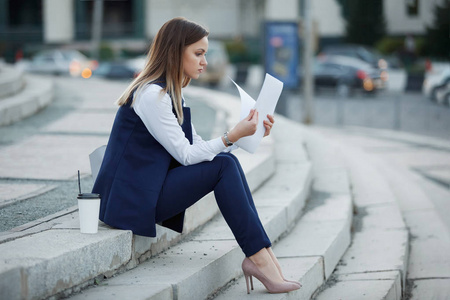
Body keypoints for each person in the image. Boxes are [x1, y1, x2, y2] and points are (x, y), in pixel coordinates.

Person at [92, 17, 300, 294]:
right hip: (130, 201)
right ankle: (260, 259)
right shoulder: (151, 95)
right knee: (223, 166)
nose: (205, 61)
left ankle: (263, 258)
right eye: (199, 53)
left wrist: (247, 136)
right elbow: (187, 155)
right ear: (176, 51)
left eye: (205, 53)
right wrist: (232, 136)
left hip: (148, 190)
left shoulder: (171, 93)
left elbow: (198, 146)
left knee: (226, 161)